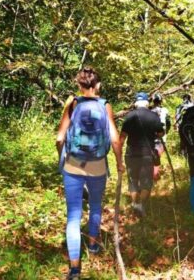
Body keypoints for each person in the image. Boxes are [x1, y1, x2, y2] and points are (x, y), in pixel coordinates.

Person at [55, 67, 124, 280]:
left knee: (73, 216)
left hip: (73, 165)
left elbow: (59, 138)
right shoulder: (105, 106)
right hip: (98, 166)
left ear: (79, 85)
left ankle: (74, 268)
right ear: (98, 85)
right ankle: (93, 246)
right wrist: (120, 163)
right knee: (95, 205)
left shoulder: (72, 104)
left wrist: (62, 157)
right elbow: (114, 139)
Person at [119, 92, 164, 217]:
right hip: (147, 153)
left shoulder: (129, 116)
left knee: (133, 180)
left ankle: (135, 204)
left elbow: (122, 137)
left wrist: (118, 153)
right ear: (147, 102)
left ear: (135, 103)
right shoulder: (154, 116)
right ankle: (141, 205)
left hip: (131, 152)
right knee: (146, 181)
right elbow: (161, 133)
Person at [150, 92, 170, 180]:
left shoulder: (149, 111)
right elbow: (168, 123)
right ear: (161, 101)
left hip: (150, 138)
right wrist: (165, 132)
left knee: (153, 155)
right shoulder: (165, 110)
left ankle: (153, 175)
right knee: (156, 156)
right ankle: (155, 175)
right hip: (162, 137)